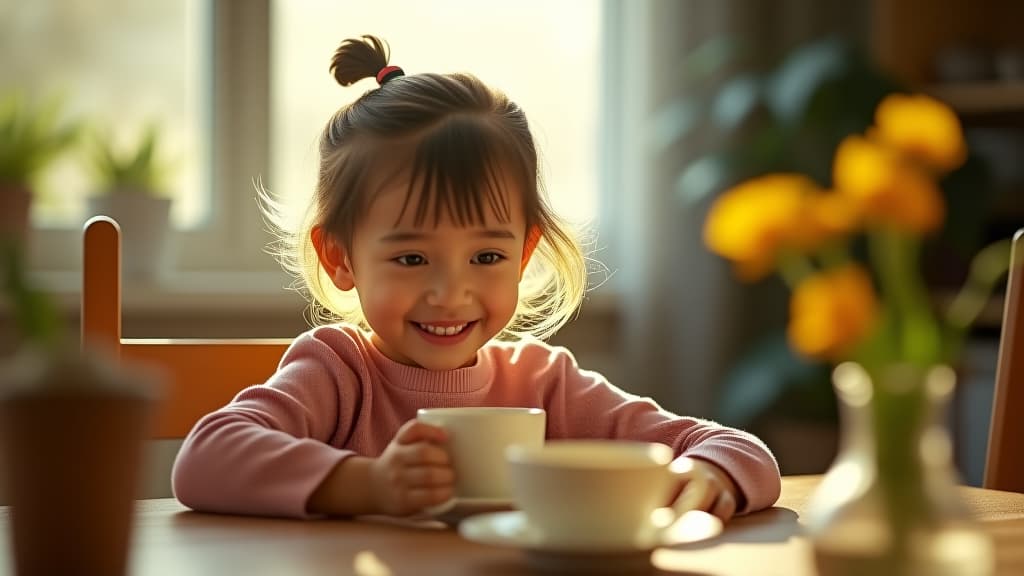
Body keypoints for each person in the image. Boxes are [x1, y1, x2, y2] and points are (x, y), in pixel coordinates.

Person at [171, 34, 781, 522]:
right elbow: (204, 458)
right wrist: (369, 484)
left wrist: (707, 475)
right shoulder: (338, 372)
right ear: (340, 257)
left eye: (486, 257)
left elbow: (741, 450)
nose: (451, 293)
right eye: (412, 259)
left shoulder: (545, 385)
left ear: (523, 254)